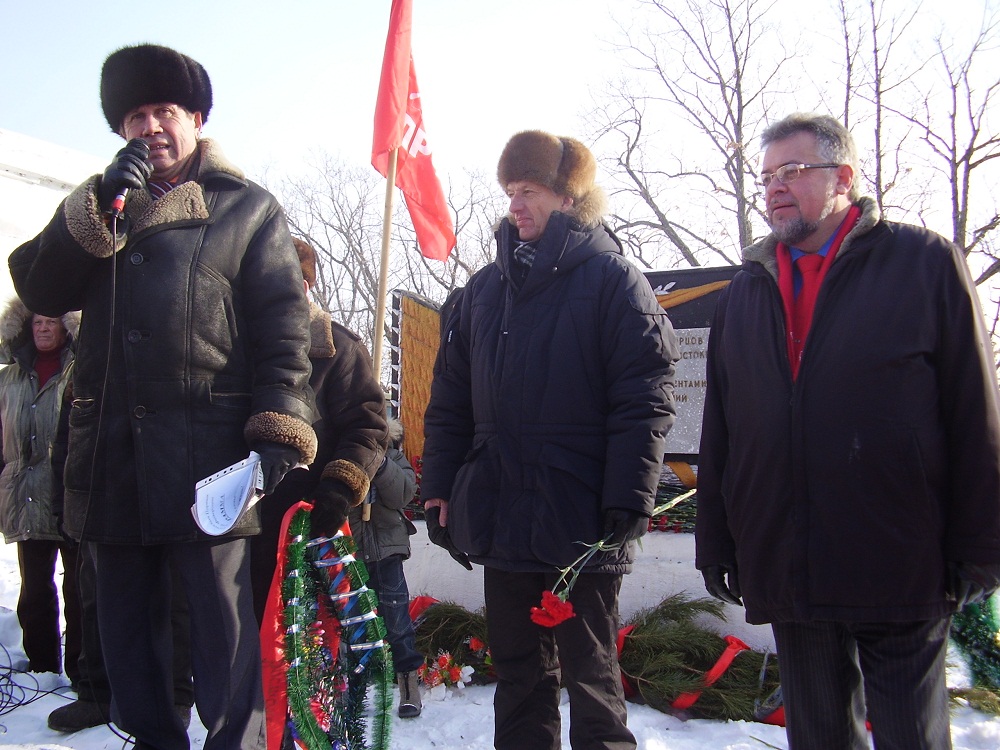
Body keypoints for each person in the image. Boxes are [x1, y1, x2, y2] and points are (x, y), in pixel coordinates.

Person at [8, 44, 317, 750]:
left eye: (165, 112)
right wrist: (95, 210)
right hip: (112, 466)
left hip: (208, 467)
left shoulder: (247, 210)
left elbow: (282, 335)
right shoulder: (97, 209)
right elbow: (40, 289)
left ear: (196, 118)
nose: (151, 127)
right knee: (130, 648)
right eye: (135, 115)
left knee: (223, 645)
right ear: (119, 131)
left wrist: (276, 436)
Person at [695, 112, 1000, 750]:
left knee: (910, 737)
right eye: (767, 175)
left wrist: (981, 541)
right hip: (789, 557)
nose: (775, 187)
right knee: (819, 737)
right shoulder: (744, 293)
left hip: (897, 554)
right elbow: (725, 430)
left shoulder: (923, 264)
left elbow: (973, 410)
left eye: (793, 171)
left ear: (844, 178)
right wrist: (719, 540)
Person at [420, 130, 678, 750]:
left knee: (591, 678)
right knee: (518, 674)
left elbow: (645, 398)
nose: (515, 204)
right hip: (503, 512)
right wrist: (438, 492)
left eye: (529, 191)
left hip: (584, 517)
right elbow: (449, 405)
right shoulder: (481, 293)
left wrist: (629, 496)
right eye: (510, 191)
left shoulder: (615, 283)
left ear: (568, 197)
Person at [249, 237, 389, 733]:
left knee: (306, 657)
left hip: (308, 527)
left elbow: (368, 428)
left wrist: (341, 486)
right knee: (243, 657)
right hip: (240, 525)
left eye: (293, 283)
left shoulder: (340, 349)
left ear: (309, 286)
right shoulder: (238, 345)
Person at [0, 301, 80, 683]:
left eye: (51, 322)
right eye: (37, 322)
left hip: (71, 496)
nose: (43, 329)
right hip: (25, 495)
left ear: (66, 328)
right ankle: (41, 667)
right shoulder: (8, 379)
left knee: (80, 590)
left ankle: (84, 673)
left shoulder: (80, 371)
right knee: (33, 591)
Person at [347, 416, 425, 719]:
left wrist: (379, 464)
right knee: (353, 623)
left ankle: (409, 687)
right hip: (353, 551)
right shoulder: (346, 454)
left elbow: (403, 493)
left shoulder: (393, 457)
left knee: (396, 621)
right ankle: (354, 690)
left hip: (387, 551)